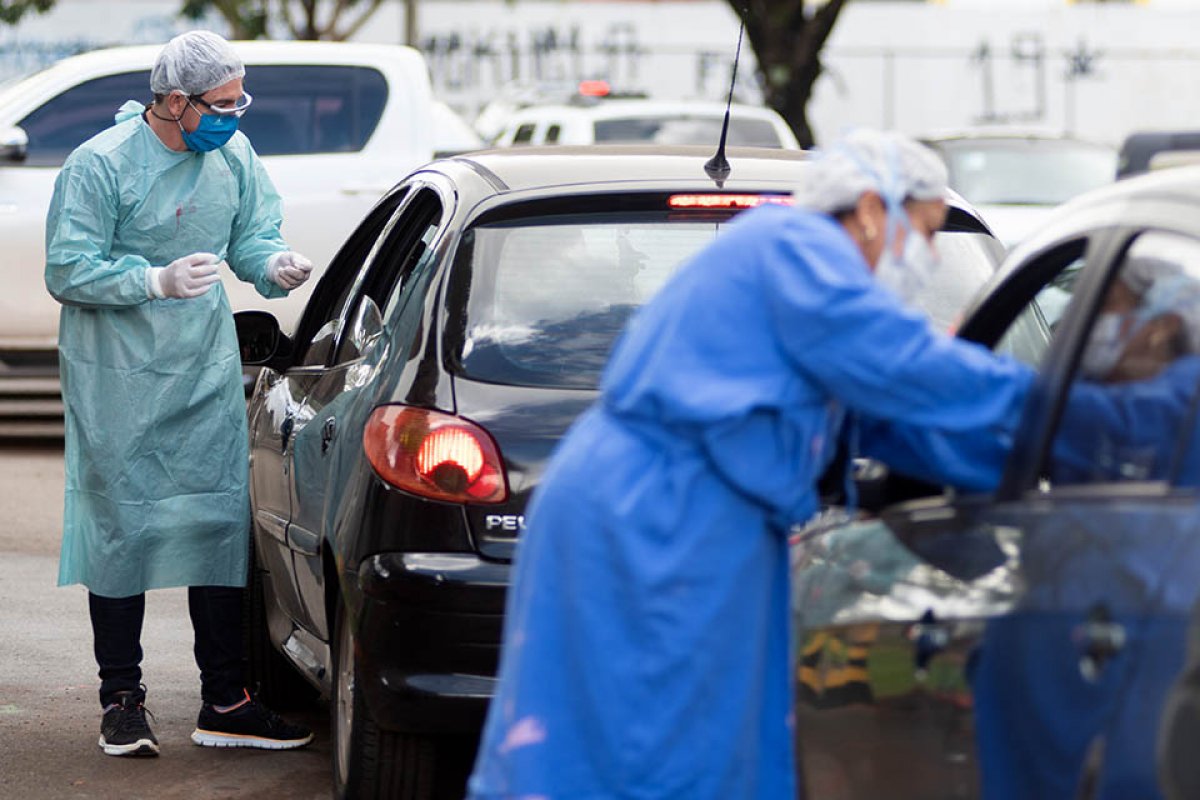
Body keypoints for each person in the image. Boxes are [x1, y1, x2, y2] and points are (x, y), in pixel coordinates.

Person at [467, 129, 1040, 799]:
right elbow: (913, 368)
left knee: (692, 734)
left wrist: (1040, 455)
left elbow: (895, 424)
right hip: (652, 519)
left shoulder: (800, 269)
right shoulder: (797, 248)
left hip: (680, 516)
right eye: (926, 230)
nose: (930, 254)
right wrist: (1072, 406)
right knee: (652, 739)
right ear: (870, 209)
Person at [44, 30, 315, 758]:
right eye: (221, 104)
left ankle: (226, 700)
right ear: (174, 101)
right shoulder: (100, 164)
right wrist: (150, 280)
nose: (234, 116)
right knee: (121, 529)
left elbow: (252, 237)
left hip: (201, 368)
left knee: (216, 521)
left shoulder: (232, 155)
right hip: (118, 376)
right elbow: (67, 268)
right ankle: (122, 701)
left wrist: (273, 264)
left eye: (239, 101)